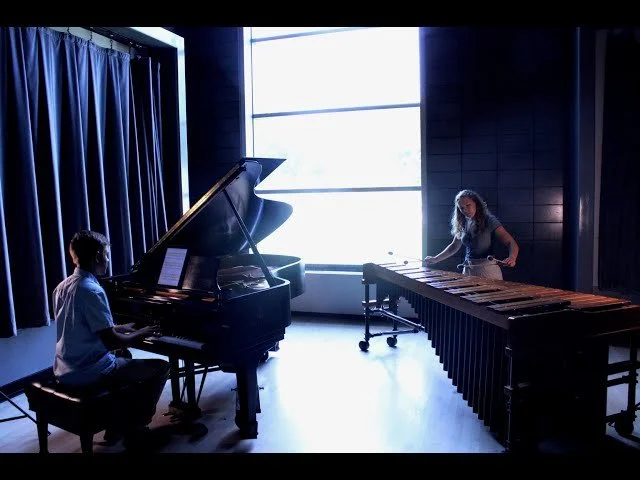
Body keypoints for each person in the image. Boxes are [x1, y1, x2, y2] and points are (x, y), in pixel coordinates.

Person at [52, 230, 170, 449]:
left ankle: (116, 425)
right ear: (98, 256)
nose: (107, 260)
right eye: (106, 255)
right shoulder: (92, 290)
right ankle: (137, 428)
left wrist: (119, 327)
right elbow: (113, 342)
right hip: (88, 372)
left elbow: (80, 327)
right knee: (161, 367)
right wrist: (142, 332)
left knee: (125, 356)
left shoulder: (62, 287)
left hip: (64, 368)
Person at [423, 189, 519, 280]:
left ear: (476, 204)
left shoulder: (489, 220)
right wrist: (435, 259)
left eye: (468, 205)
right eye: (462, 208)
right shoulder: (462, 223)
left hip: (488, 270)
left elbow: (510, 242)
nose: (465, 210)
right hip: (468, 269)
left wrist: (512, 257)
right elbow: (454, 246)